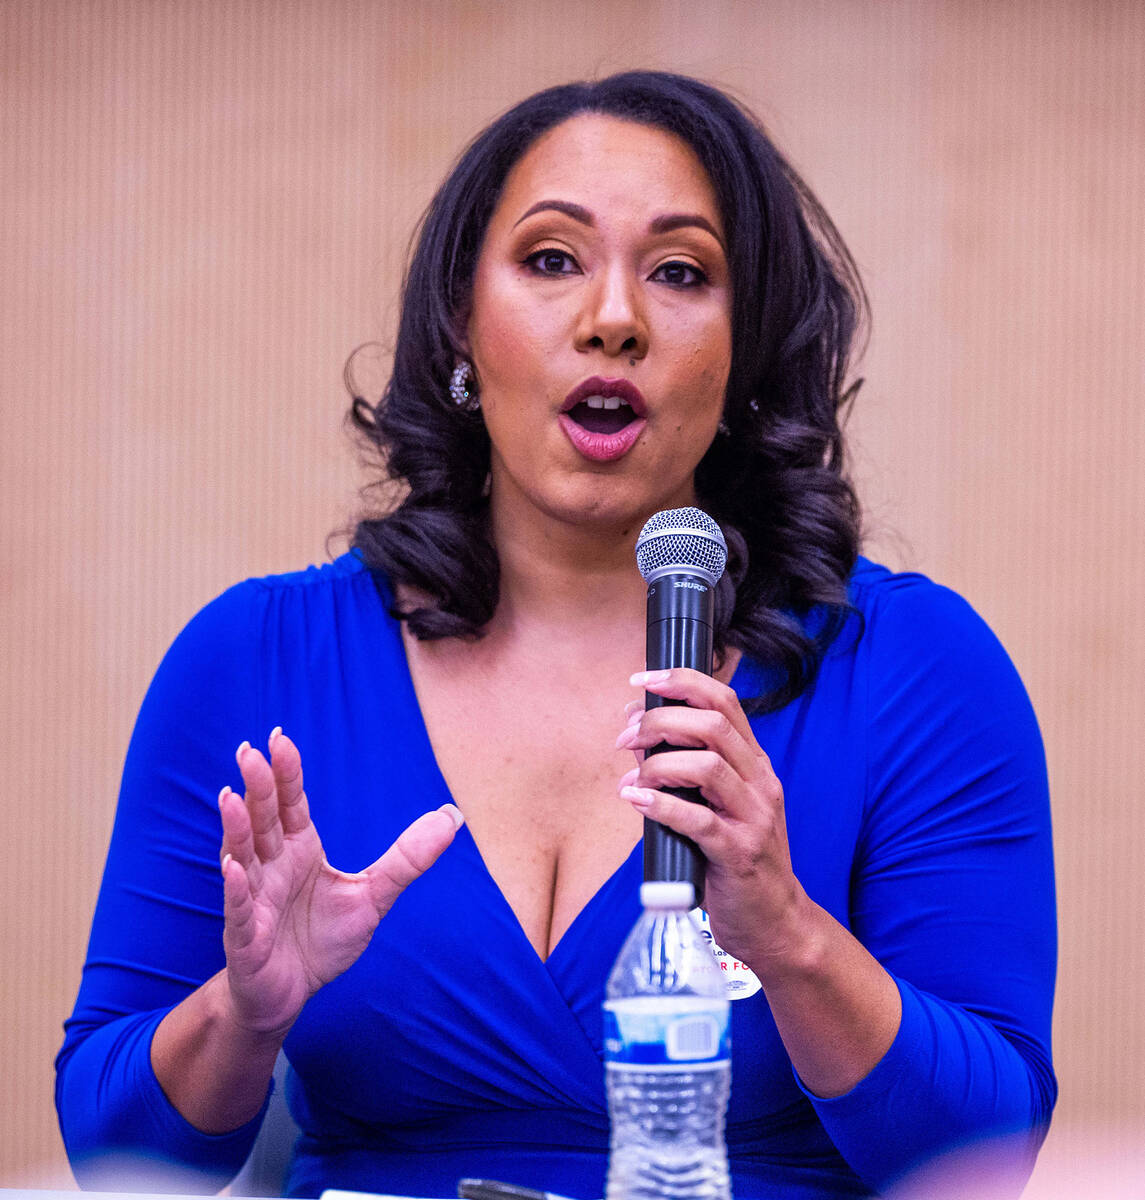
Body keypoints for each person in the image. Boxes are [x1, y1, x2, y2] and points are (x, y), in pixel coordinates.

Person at [55, 71, 1057, 1200]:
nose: (613, 318)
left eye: (679, 272)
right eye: (549, 260)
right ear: (458, 327)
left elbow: (982, 1157)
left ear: (741, 354)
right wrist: (243, 1012)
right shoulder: (254, 661)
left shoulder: (910, 670)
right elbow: (116, 1160)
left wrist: (787, 937)